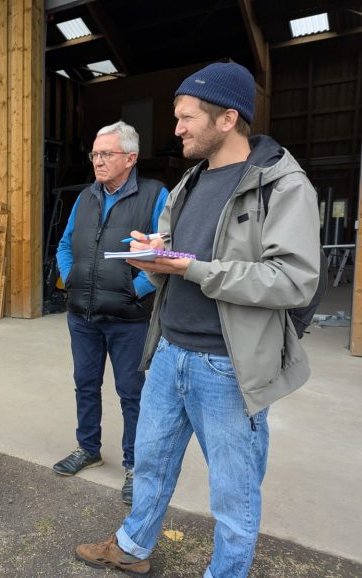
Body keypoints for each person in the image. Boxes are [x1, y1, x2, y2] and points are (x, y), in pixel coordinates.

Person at [75, 63, 321, 577]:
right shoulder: (189, 182)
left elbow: (293, 280)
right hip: (170, 351)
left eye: (186, 118)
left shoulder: (282, 184)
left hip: (229, 365)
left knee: (234, 492)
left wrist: (193, 267)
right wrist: (154, 253)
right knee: (151, 464)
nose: (178, 129)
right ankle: (133, 546)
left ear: (228, 118)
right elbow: (175, 253)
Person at [54, 121, 169, 506]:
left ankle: (135, 465)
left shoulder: (155, 195)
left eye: (106, 154)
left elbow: (166, 254)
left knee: (132, 393)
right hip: (82, 316)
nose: (98, 161)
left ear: (130, 158)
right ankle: (88, 448)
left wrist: (133, 291)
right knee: (85, 385)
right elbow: (65, 244)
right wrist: (71, 280)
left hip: (128, 319)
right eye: (95, 154)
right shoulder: (86, 196)